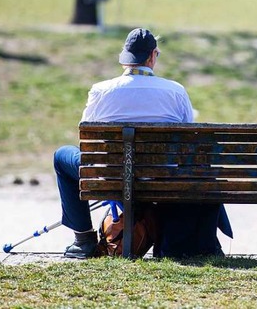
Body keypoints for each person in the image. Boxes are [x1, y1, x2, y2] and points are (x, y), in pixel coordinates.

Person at [54, 28, 230, 259]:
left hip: (112, 177)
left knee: (62, 155)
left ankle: (84, 240)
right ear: (152, 56)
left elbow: (87, 141)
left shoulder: (101, 90)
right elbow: (189, 141)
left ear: (125, 58)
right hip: (160, 179)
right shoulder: (175, 91)